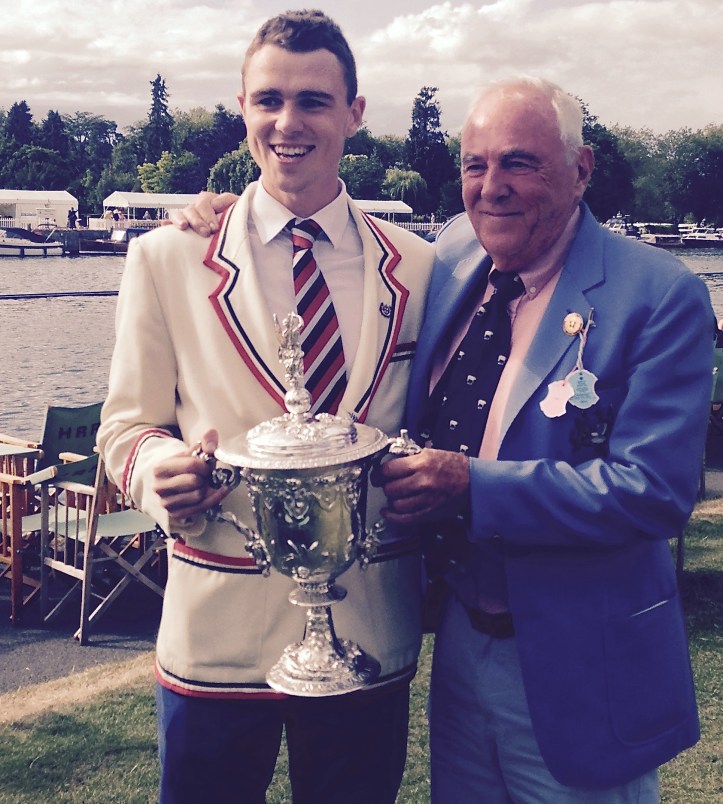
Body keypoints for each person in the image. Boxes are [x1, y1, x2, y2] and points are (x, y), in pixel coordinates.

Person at [97, 10, 433, 804]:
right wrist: (157, 471)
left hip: (368, 629)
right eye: (268, 99)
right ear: (242, 109)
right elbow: (125, 424)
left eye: (314, 101)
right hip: (217, 626)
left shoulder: (419, 266)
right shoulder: (166, 258)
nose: (289, 122)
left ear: (354, 113)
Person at [375, 77, 713, 802]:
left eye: (519, 162)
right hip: (461, 640)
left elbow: (653, 493)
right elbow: (352, 247)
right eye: (474, 164)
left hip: (582, 659)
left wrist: (470, 484)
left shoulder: (659, 294)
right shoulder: (456, 252)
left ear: (580, 169)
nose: (490, 187)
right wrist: (227, 216)